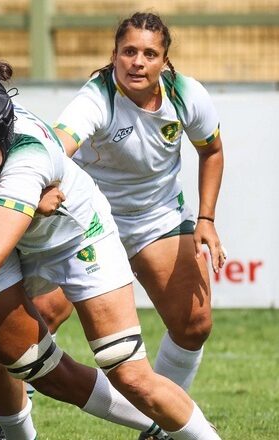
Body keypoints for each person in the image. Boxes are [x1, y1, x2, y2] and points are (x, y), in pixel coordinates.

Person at [0, 61, 222, 440]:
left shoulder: (26, 160)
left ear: (4, 141)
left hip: (76, 241)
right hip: (17, 243)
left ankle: (181, 431)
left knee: (127, 371)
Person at [52, 13, 222, 422]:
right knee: (36, 318)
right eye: (129, 51)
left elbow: (211, 151)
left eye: (149, 53)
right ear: (114, 56)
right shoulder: (96, 98)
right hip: (88, 221)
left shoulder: (186, 95)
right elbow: (58, 146)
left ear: (165, 61)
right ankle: (14, 418)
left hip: (157, 219)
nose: (137, 62)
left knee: (194, 324)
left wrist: (207, 220)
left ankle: (162, 419)